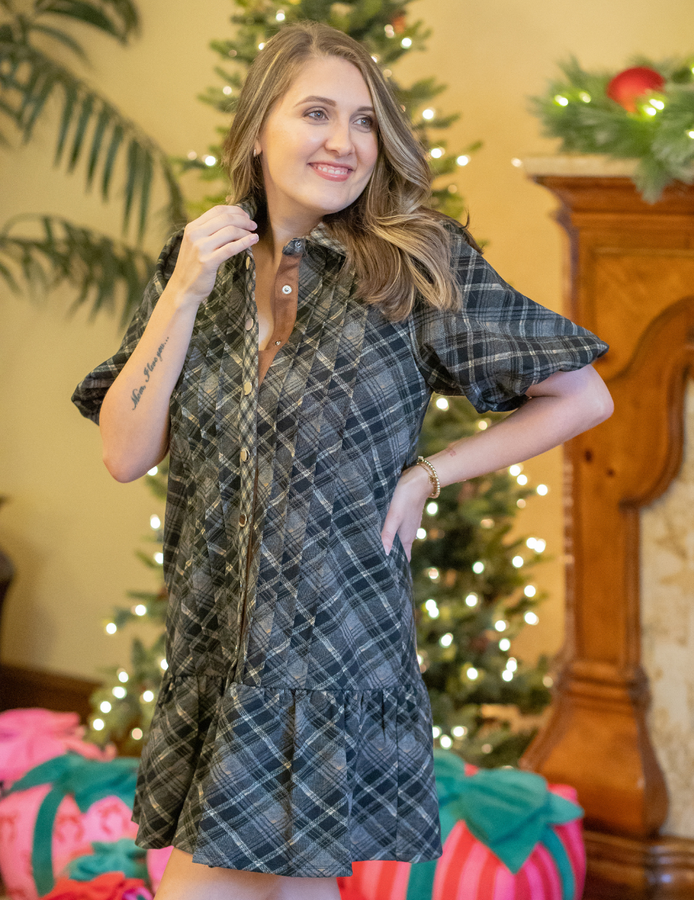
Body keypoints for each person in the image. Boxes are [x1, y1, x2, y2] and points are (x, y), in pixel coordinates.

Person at [72, 20, 612, 900]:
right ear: (255, 131)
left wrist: (430, 474)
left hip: (332, 649)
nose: (344, 142)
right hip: (216, 650)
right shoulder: (194, 264)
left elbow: (584, 395)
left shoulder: (412, 262)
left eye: (364, 121)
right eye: (317, 113)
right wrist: (182, 293)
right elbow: (126, 453)